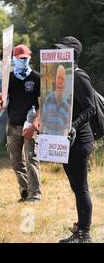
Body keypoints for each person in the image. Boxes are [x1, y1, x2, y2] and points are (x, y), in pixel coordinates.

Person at [55, 36, 96, 243]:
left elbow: (91, 108)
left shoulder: (79, 77)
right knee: (75, 187)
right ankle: (80, 228)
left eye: (63, 50)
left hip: (80, 141)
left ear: (73, 54)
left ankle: (84, 234)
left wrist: (74, 125)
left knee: (81, 187)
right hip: (65, 140)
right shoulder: (63, 75)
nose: (59, 53)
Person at [0, 44, 42, 203]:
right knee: (16, 161)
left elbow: (41, 103)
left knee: (32, 160)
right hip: (13, 125)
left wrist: (35, 123)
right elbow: (1, 101)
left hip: (30, 125)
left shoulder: (36, 78)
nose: (22, 60)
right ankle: (24, 190)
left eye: (25, 58)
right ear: (14, 59)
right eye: (19, 58)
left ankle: (35, 195)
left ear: (30, 58)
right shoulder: (8, 78)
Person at [41, 65, 72, 136]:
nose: (60, 82)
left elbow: (66, 129)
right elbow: (42, 121)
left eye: (62, 79)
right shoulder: (48, 99)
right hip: (48, 140)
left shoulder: (66, 106)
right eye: (58, 78)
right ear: (55, 80)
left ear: (65, 83)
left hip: (59, 143)